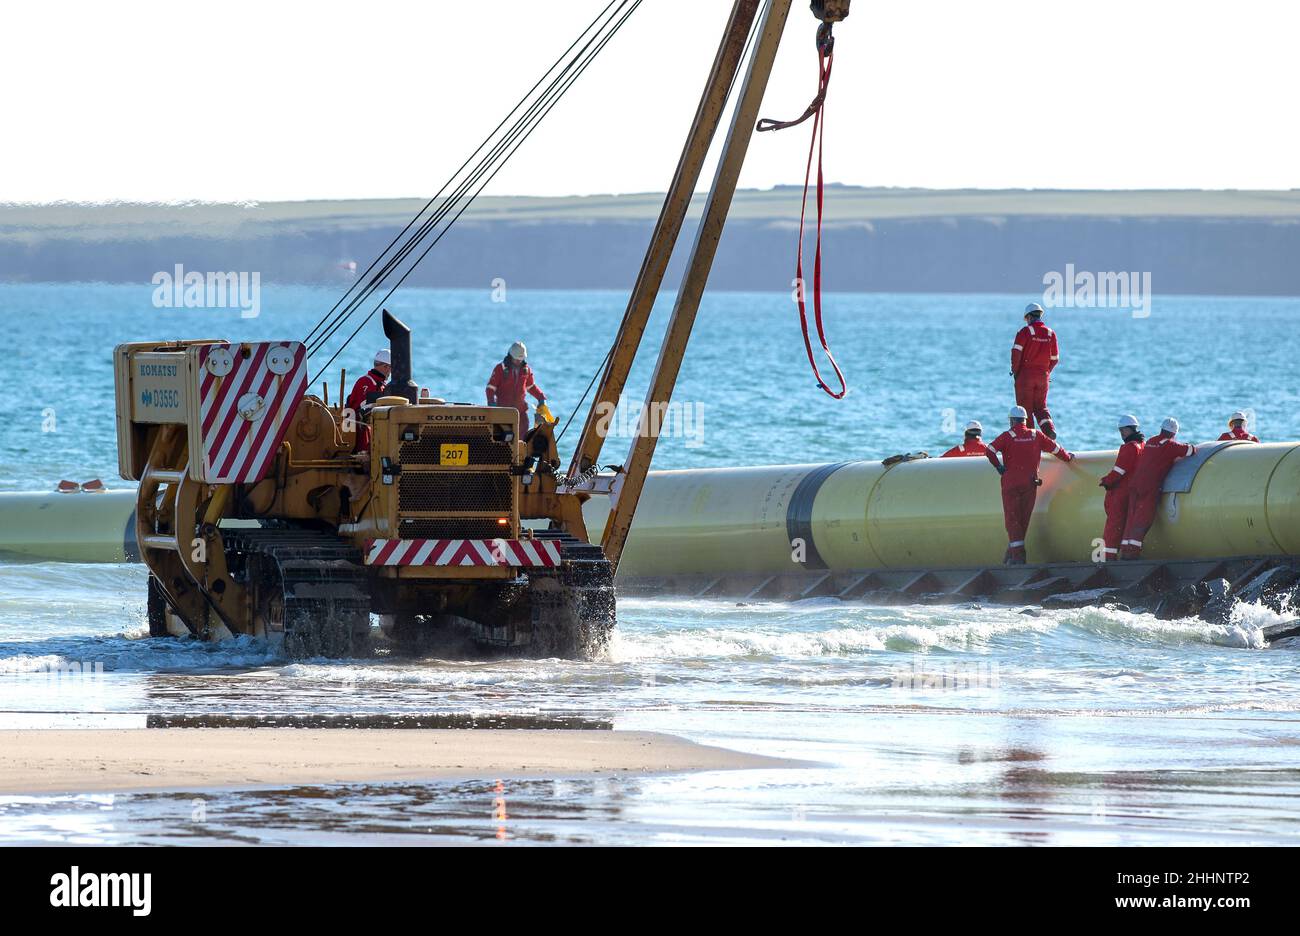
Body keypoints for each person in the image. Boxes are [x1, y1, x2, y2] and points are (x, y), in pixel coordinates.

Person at [986, 405, 1074, 565]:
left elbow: (989, 450)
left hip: (1010, 483)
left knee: (1012, 518)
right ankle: (1013, 553)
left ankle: (1017, 556)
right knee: (1023, 518)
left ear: (1012, 421)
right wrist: (1068, 458)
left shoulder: (1007, 436)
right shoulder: (1036, 435)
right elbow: (1056, 448)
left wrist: (999, 467)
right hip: (1030, 483)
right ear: (1025, 420)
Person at [1119, 417, 1195, 559]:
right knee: (1143, 519)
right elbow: (1191, 450)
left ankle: (1124, 551)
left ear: (1161, 429)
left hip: (1135, 484)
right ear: (1174, 433)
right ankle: (1132, 553)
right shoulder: (1170, 446)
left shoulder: (1151, 441)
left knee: (1131, 518)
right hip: (1149, 486)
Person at [1097, 414, 1145, 561]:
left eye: (1124, 430)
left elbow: (1119, 471)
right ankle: (1126, 554)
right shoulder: (1142, 446)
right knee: (1126, 526)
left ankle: (1108, 557)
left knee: (1114, 526)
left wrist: (1106, 481)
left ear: (1131, 429)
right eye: (1120, 431)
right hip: (1133, 491)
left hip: (1121, 492)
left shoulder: (1129, 448)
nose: (1122, 433)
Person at [1010, 302, 1060, 438]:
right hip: (1043, 377)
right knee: (1041, 408)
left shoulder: (1025, 332)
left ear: (1029, 317)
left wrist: (1015, 372)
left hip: (1025, 377)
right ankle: (1049, 430)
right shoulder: (1051, 333)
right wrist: (1046, 371)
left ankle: (1030, 439)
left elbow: (1016, 353)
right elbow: (1055, 359)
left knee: (1025, 410)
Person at [486, 341, 547, 433]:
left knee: (521, 441)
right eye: (516, 359)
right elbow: (490, 389)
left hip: (520, 413)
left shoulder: (526, 370)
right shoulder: (500, 369)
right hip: (503, 412)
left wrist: (541, 398)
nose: (518, 361)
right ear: (510, 356)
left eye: (520, 359)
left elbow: (531, 387)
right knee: (502, 441)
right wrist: (491, 403)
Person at [346, 348, 391, 452]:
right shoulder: (366, 382)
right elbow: (364, 411)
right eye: (390, 368)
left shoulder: (380, 384)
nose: (391, 371)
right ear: (385, 367)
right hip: (360, 437)